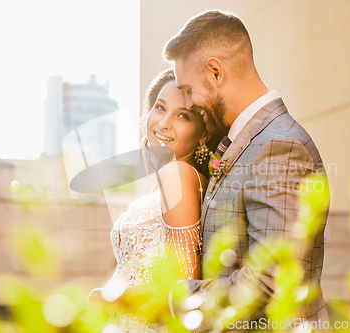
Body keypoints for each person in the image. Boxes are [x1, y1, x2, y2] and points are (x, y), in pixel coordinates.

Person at [162, 10, 330, 332]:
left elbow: (268, 283)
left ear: (215, 71)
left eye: (187, 89)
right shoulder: (248, 139)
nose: (188, 102)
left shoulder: (278, 145)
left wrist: (173, 297)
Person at [89, 69, 217, 332]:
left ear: (203, 133)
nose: (164, 122)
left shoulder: (177, 174)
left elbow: (182, 288)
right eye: (160, 107)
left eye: (183, 115)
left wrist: (107, 299)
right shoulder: (181, 178)